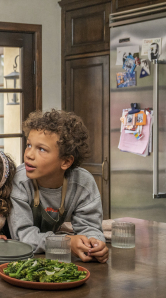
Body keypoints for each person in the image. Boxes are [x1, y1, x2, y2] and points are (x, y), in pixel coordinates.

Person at [8, 109, 109, 263]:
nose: (28, 154)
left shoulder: (83, 183)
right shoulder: (20, 181)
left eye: (41, 149)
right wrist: (65, 243)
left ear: (66, 162)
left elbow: (90, 227)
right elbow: (22, 235)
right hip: (14, 257)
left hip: (52, 260)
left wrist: (94, 244)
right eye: (29, 145)